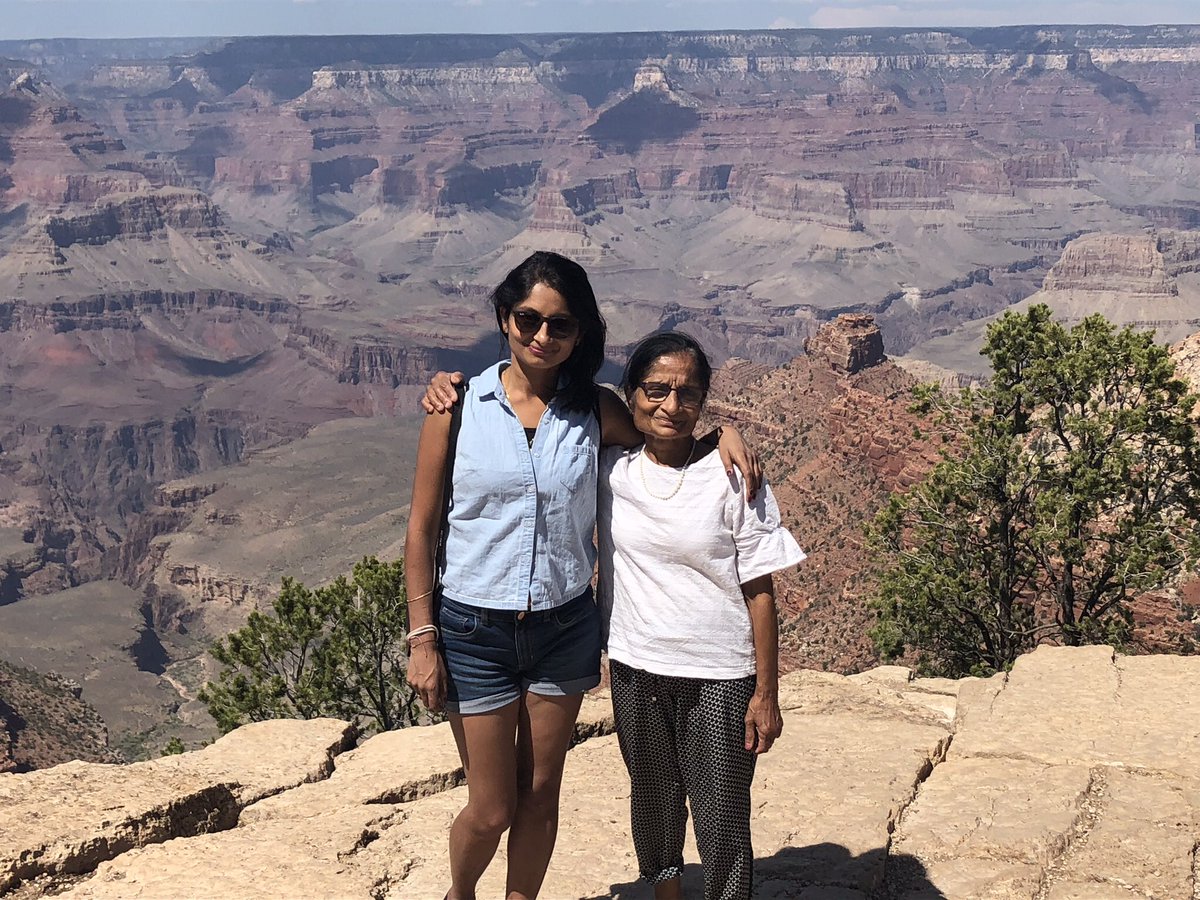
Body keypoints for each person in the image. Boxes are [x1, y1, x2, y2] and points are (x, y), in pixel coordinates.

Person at [404, 252, 759, 900]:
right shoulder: (454, 408)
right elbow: (421, 531)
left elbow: (665, 436)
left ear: (579, 334)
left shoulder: (594, 410)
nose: (542, 336)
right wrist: (423, 640)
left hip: (563, 629)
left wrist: (724, 433)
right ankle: (460, 894)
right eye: (528, 319)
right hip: (473, 631)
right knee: (490, 809)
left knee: (539, 798)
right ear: (505, 318)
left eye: (560, 325)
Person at [598, 331, 805, 900]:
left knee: (723, 819)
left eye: (688, 393)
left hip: (720, 676)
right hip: (637, 666)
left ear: (705, 401)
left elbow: (761, 591)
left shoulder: (736, 477)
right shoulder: (611, 470)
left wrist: (766, 692)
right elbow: (565, 393)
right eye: (656, 389)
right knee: (654, 800)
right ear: (631, 394)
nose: (671, 405)